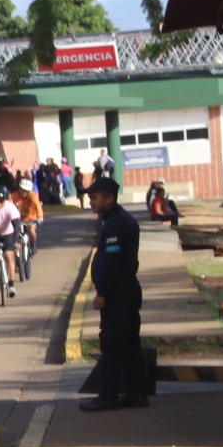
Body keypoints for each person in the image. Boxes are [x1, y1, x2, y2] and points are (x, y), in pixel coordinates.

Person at [82, 176, 150, 411]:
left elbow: (112, 263)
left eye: (94, 197)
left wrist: (102, 292)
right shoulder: (115, 220)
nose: (90, 201)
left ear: (109, 198)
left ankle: (108, 396)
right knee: (129, 345)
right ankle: (136, 394)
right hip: (125, 291)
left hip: (119, 294)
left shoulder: (116, 224)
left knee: (111, 344)